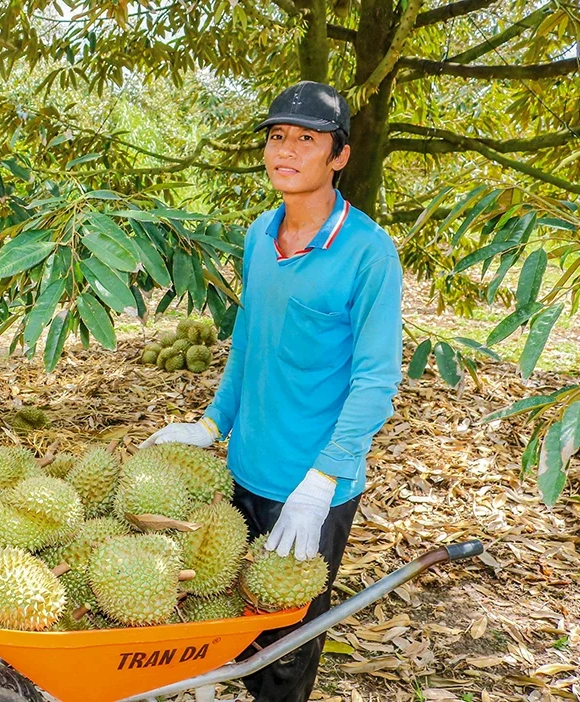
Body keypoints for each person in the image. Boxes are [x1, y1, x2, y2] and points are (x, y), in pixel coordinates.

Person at [141, 81, 403, 701]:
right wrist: (211, 424)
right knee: (236, 628)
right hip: (243, 472)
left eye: (307, 139)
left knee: (287, 648)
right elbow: (249, 343)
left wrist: (324, 479)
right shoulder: (260, 234)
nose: (286, 150)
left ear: (339, 156)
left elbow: (376, 381)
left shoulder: (368, 254)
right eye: (277, 136)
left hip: (312, 487)